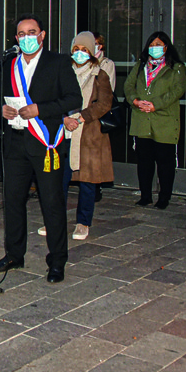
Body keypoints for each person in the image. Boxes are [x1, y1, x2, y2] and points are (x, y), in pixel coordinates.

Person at [0, 14, 81, 283]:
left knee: (51, 203)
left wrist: (41, 109)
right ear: (16, 39)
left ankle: (57, 260)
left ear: (42, 35)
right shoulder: (8, 64)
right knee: (13, 201)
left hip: (45, 143)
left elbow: (74, 98)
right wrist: (0, 109)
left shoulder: (59, 62)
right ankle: (15, 254)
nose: (27, 37)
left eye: (32, 32)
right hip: (15, 142)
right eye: (21, 34)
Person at [57, 31, 113, 241]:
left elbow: (104, 104)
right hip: (62, 132)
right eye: (76, 49)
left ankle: (83, 222)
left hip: (88, 134)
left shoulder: (100, 74)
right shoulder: (63, 71)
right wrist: (64, 118)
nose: (80, 53)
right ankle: (56, 220)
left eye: (84, 49)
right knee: (58, 180)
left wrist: (80, 117)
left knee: (87, 181)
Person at [123, 32, 186, 209]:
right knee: (144, 161)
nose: (155, 47)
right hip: (142, 119)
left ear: (166, 47)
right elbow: (128, 86)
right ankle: (145, 196)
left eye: (158, 44)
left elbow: (177, 90)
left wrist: (155, 105)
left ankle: (164, 198)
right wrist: (135, 100)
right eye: (152, 44)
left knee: (165, 161)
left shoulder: (176, 67)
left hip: (164, 120)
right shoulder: (141, 65)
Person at [92, 32, 116, 203]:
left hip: (97, 113)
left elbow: (109, 89)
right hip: (80, 113)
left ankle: (96, 185)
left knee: (96, 152)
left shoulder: (107, 64)